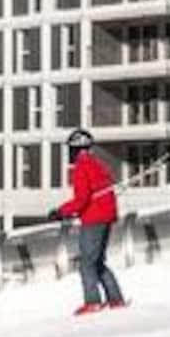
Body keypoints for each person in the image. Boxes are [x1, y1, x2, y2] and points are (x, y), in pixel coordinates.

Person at [51, 128, 126, 315]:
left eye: (71, 149)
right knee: (97, 261)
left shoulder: (81, 167)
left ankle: (92, 301)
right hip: (106, 216)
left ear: (76, 149)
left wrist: (60, 212)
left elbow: (82, 199)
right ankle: (115, 299)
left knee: (86, 262)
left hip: (94, 219)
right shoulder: (97, 164)